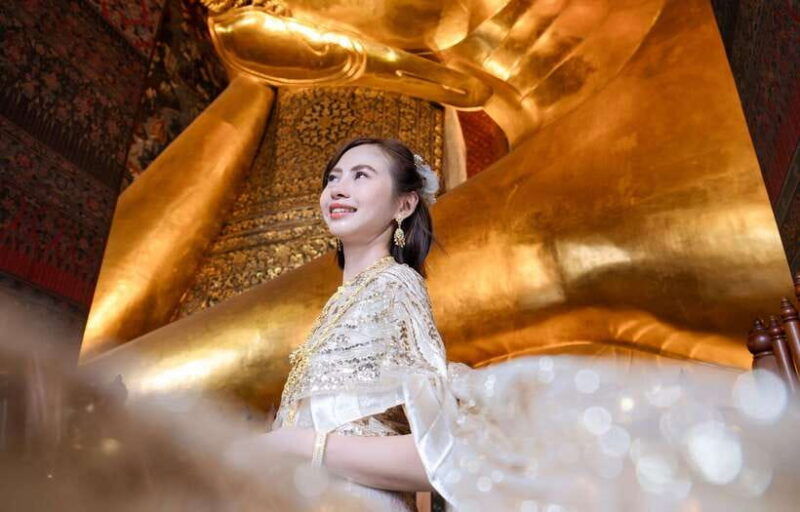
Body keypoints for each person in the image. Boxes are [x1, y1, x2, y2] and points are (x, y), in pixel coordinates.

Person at [238, 137, 800, 511]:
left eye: (361, 176)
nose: (338, 188)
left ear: (404, 206)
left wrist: (300, 444)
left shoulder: (394, 288)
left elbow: (438, 457)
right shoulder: (343, 303)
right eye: (333, 177)